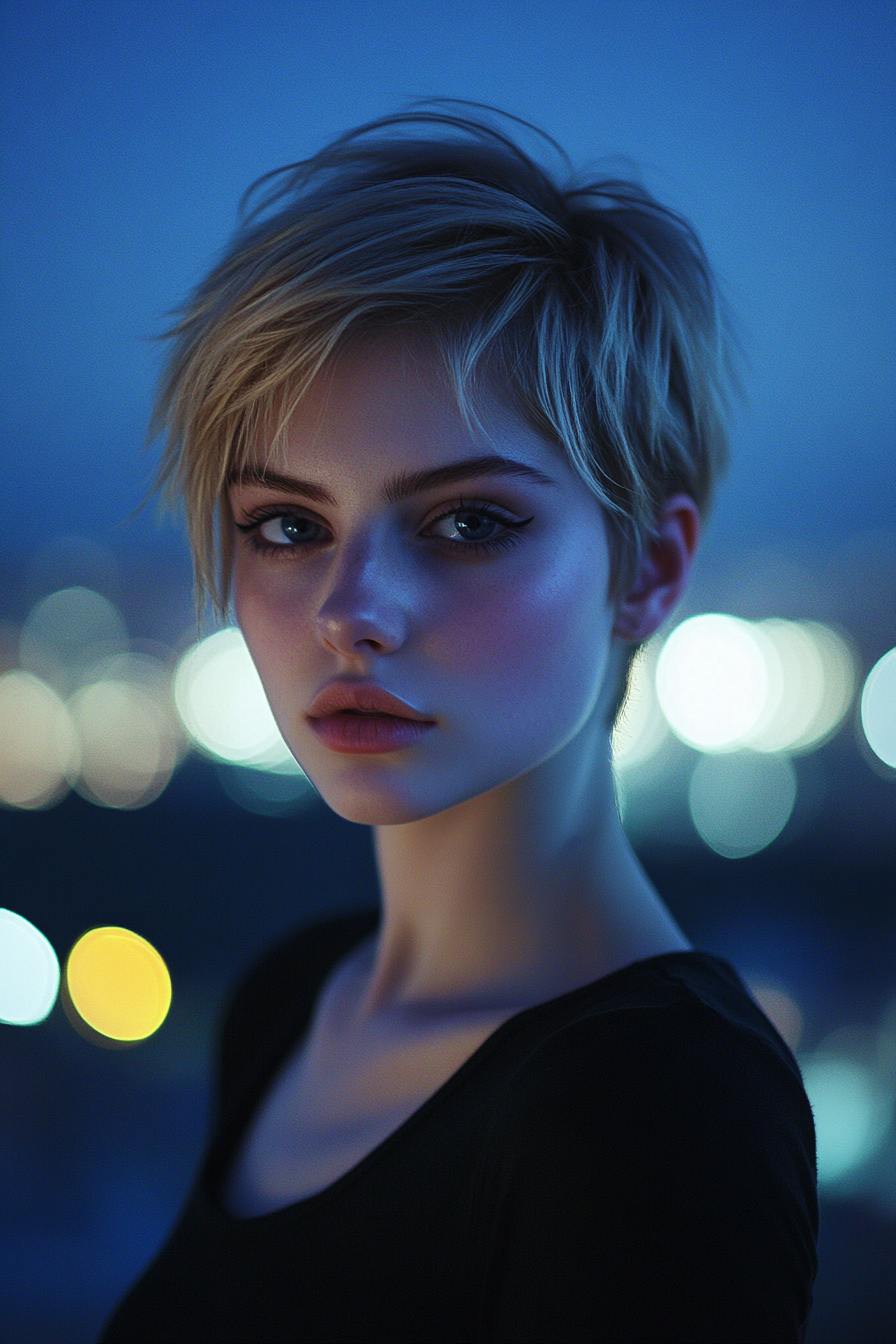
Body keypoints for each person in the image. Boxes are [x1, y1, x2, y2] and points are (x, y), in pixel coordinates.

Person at [100, 104, 817, 1343]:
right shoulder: (291, 999)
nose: (350, 613)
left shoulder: (660, 1109)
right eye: (288, 524)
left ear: (646, 567)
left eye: (468, 521)